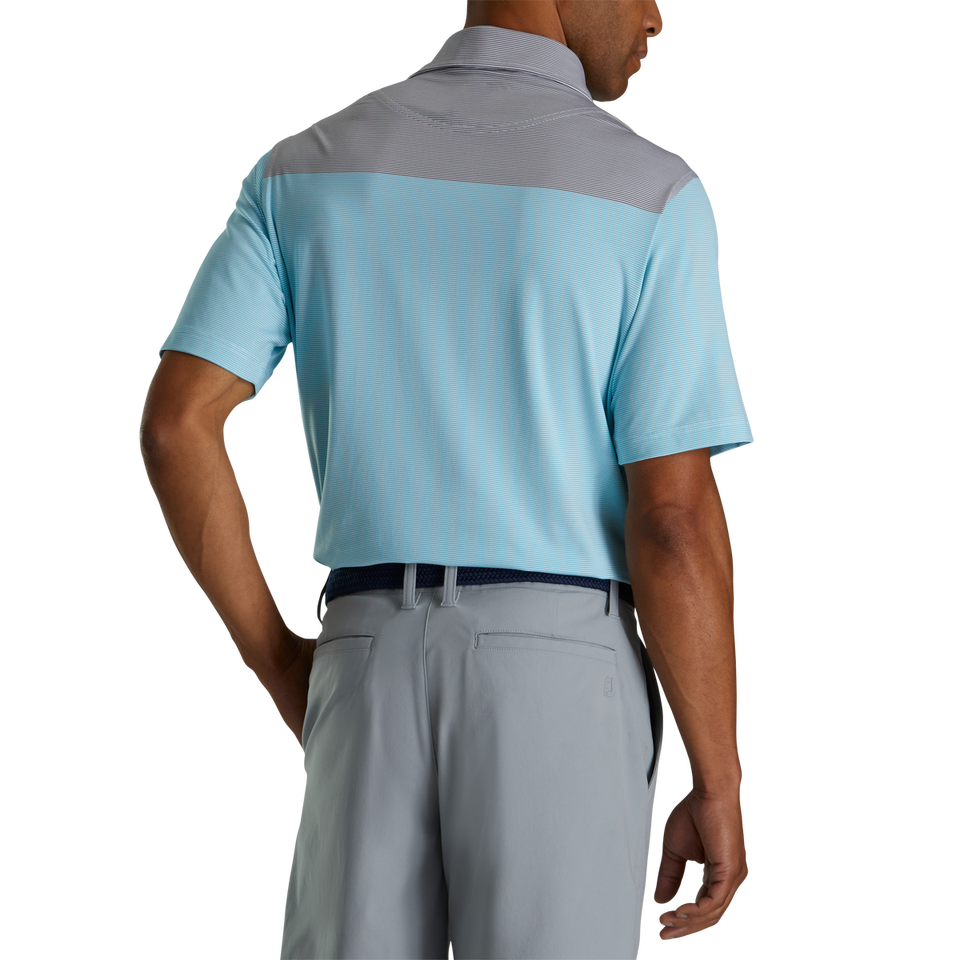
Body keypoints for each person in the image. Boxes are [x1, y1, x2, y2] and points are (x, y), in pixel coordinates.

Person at [137, 0, 755, 956]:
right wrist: (718, 781)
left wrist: (283, 663)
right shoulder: (652, 190)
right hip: (561, 674)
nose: (659, 17)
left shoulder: (303, 165)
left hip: (362, 653)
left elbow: (178, 423)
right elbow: (672, 519)